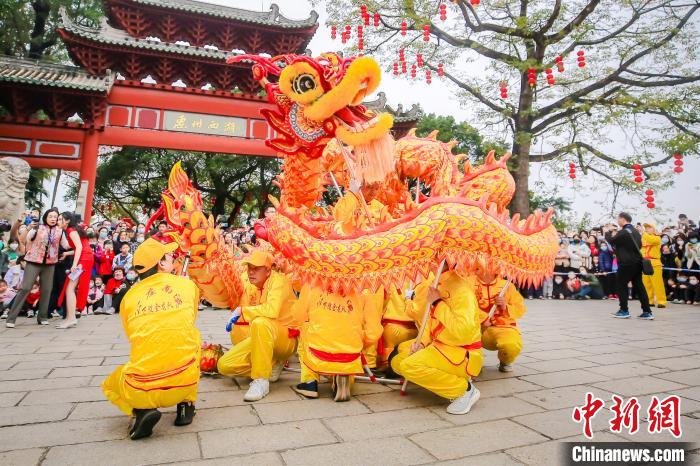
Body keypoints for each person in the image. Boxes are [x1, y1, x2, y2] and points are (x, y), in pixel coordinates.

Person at [102, 238, 201, 440]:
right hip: (184, 381)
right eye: (169, 255)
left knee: (111, 383)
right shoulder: (188, 286)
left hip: (142, 387)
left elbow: (133, 335)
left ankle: (142, 410)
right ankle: (186, 406)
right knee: (193, 338)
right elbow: (189, 320)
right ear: (161, 264)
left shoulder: (129, 297)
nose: (174, 257)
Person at [390, 266, 482, 415]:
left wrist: (438, 303)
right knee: (397, 362)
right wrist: (421, 343)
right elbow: (430, 321)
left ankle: (464, 390)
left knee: (409, 366)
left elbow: (463, 331)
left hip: (460, 353)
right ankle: (449, 378)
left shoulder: (462, 290)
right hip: (439, 347)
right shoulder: (437, 282)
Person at [216, 249, 300, 401]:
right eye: (249, 268)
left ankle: (261, 380)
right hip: (266, 337)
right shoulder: (254, 285)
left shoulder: (278, 280)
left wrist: (242, 311)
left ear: (268, 270)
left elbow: (272, 310)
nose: (250, 272)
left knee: (260, 323)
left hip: (286, 339)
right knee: (224, 365)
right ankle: (271, 364)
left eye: (256, 268)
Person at [292, 284, 383, 402]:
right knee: (350, 344)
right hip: (349, 356)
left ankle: (309, 381)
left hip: (317, 352)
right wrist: (360, 343)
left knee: (305, 327)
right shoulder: (363, 289)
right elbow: (374, 331)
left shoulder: (312, 284)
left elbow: (298, 316)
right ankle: (342, 378)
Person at [5, 208, 64, 328]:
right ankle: (11, 318)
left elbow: (66, 245)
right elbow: (21, 240)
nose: (53, 219)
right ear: (45, 218)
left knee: (47, 290)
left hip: (50, 263)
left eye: (55, 217)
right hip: (33, 261)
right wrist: (28, 228)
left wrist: (78, 248)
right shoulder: (37, 228)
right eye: (50, 216)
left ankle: (42, 317)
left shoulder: (60, 231)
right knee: (25, 288)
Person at [471, 268, 526, 372]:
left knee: (511, 345)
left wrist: (505, 306)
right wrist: (483, 318)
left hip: (501, 328)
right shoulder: (468, 282)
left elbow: (520, 308)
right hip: (473, 327)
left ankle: (506, 360)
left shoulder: (507, 285)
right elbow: (463, 305)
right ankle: (471, 364)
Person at [605, 213, 653, 320]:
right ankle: (647, 311)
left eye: (618, 219)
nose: (617, 221)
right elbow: (638, 245)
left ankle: (624, 310)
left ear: (623, 219)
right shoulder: (636, 232)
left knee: (621, 285)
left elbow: (611, 240)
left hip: (626, 263)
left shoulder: (624, 232)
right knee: (640, 286)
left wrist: (607, 231)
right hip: (637, 262)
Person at [56, 212, 94, 328]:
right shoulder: (71, 230)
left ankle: (71, 318)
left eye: (60, 219)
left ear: (67, 221)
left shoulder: (70, 231)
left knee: (70, 289)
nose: (57, 221)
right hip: (85, 258)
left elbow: (79, 248)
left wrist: (75, 264)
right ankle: (70, 318)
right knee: (70, 288)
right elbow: (81, 247)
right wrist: (67, 253)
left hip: (83, 260)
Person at [641, 223, 666, 309]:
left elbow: (651, 240)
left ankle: (661, 301)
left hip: (655, 263)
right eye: (646, 228)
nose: (646, 229)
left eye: (649, 227)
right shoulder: (644, 238)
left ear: (654, 229)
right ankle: (649, 301)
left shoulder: (657, 238)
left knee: (658, 284)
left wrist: (643, 233)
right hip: (645, 263)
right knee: (646, 284)